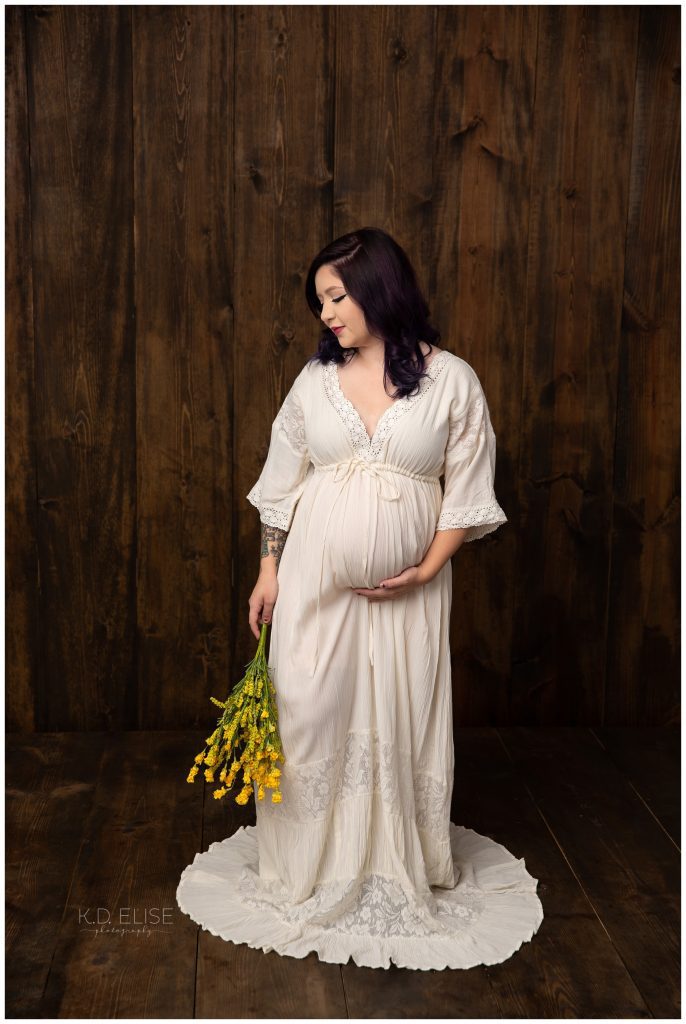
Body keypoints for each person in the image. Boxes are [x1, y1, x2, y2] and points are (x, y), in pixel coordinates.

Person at [176, 227, 543, 970]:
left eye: (337, 296)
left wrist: (426, 569)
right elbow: (282, 481)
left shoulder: (452, 382)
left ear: (380, 286)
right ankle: (307, 863)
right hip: (311, 581)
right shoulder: (314, 381)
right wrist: (268, 568)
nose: (328, 315)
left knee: (396, 717)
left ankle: (384, 859)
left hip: (408, 596)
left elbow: (467, 497)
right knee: (309, 711)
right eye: (320, 302)